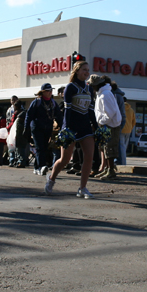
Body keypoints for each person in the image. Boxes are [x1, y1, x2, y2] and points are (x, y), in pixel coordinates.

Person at [45, 60, 97, 198]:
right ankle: (51, 179)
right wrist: (67, 129)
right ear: (77, 71)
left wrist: (96, 127)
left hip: (85, 128)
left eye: (88, 69)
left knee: (89, 157)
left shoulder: (89, 89)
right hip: (71, 127)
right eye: (84, 69)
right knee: (65, 159)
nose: (86, 72)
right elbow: (67, 111)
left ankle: (83, 188)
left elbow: (91, 111)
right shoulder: (70, 88)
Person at [88, 74, 122, 180]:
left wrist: (101, 121)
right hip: (106, 124)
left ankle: (111, 170)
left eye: (93, 86)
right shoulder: (102, 94)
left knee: (110, 148)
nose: (92, 88)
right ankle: (107, 169)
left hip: (110, 125)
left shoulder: (105, 95)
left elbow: (110, 113)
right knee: (104, 147)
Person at [26, 83, 60, 175]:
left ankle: (36, 167)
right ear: (43, 92)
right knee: (40, 147)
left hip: (48, 129)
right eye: (48, 91)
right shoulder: (36, 102)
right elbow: (29, 116)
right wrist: (26, 129)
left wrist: (62, 127)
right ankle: (42, 166)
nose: (50, 92)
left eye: (51, 90)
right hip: (37, 128)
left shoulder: (53, 103)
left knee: (44, 148)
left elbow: (58, 116)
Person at [120, 97, 135, 165]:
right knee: (124, 147)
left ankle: (122, 163)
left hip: (121, 130)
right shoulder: (131, 110)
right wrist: (130, 128)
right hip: (128, 131)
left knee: (121, 147)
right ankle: (123, 162)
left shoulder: (120, 108)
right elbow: (134, 121)